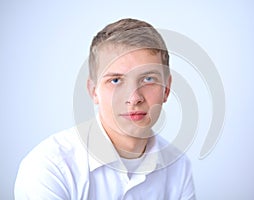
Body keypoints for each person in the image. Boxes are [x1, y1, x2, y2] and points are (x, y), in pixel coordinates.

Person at [14, 18, 196, 199]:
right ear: (93, 91)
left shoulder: (178, 167)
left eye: (148, 79)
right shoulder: (50, 167)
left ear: (167, 88)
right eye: (115, 80)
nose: (134, 98)